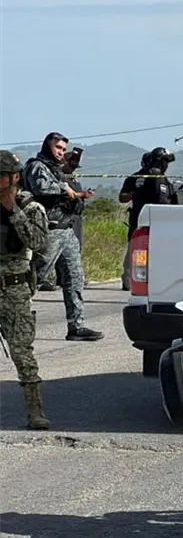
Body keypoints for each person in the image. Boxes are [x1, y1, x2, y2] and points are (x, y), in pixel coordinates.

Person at [22, 133, 102, 342]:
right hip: (49, 231)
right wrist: (64, 188)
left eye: (63, 149)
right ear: (47, 146)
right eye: (57, 147)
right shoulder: (37, 166)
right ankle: (13, 317)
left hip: (67, 230)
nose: (60, 152)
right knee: (34, 278)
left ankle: (76, 326)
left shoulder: (57, 169)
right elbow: (40, 187)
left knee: (75, 279)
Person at [0, 149, 52, 429]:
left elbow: (39, 243)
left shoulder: (31, 208)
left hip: (14, 290)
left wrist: (13, 211)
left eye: (2, 176)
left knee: (22, 353)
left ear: (15, 177)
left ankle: (35, 412)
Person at [120, 148, 178, 290]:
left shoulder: (163, 179)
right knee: (136, 249)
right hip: (143, 220)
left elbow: (170, 200)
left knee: (154, 251)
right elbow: (122, 197)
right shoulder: (139, 178)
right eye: (164, 161)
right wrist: (135, 193)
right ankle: (129, 279)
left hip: (157, 221)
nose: (166, 165)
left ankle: (154, 278)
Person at [50, 150, 93, 289]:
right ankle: (62, 278)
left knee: (76, 247)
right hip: (65, 216)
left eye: (75, 166)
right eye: (71, 165)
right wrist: (82, 194)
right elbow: (67, 195)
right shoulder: (60, 178)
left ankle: (74, 278)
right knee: (62, 249)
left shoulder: (73, 178)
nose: (73, 168)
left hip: (76, 216)